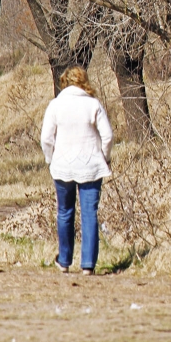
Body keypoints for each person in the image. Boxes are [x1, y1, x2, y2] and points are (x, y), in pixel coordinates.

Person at [40, 67, 113, 275]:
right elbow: (107, 136)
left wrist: (50, 159)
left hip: (62, 166)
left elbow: (46, 138)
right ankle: (88, 265)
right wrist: (104, 157)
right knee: (90, 213)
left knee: (65, 212)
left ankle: (64, 261)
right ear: (84, 82)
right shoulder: (93, 105)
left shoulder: (55, 105)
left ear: (65, 82)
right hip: (91, 165)